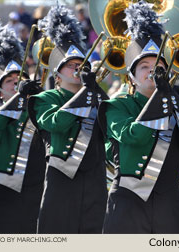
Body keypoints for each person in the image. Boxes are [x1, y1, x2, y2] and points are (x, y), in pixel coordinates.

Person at [100, 1, 179, 234]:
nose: (152, 71)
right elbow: (134, 135)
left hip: (169, 205)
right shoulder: (117, 105)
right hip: (128, 203)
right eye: (145, 66)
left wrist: (173, 98)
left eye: (159, 65)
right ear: (132, 78)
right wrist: (163, 98)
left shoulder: (174, 102)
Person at [28, 4, 108, 234]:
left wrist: (95, 90)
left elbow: (110, 125)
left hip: (95, 180)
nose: (77, 69)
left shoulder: (96, 95)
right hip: (62, 178)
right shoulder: (45, 98)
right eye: (71, 65)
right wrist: (86, 94)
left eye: (81, 65)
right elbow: (56, 123)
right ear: (58, 73)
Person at [0, 20, 45, 234]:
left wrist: (37, 100)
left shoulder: (39, 111)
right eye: (10, 81)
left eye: (20, 80)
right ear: (0, 91)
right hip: (4, 194)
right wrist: (18, 98)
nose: (16, 83)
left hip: (36, 193)